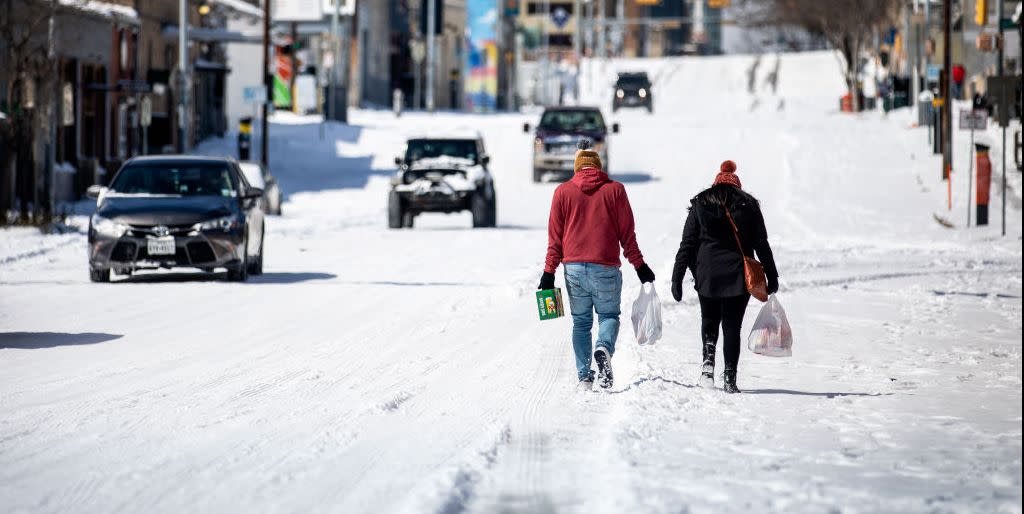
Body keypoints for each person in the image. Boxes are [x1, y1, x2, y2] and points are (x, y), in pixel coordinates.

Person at [539, 140, 655, 391]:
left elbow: (555, 240)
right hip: (605, 268)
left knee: (581, 323)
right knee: (609, 316)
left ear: (577, 167)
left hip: (574, 270)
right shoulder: (616, 190)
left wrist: (548, 273)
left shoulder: (562, 192)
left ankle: (584, 378)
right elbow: (628, 236)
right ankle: (603, 347)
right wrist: (640, 266)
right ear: (599, 167)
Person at [670, 161, 778, 394]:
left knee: (709, 320)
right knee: (732, 326)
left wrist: (676, 278)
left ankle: (707, 367)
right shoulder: (748, 204)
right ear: (737, 184)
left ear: (716, 182)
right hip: (738, 275)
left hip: (707, 273)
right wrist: (772, 275)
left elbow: (687, 244)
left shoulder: (700, 203)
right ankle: (730, 377)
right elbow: (762, 244)